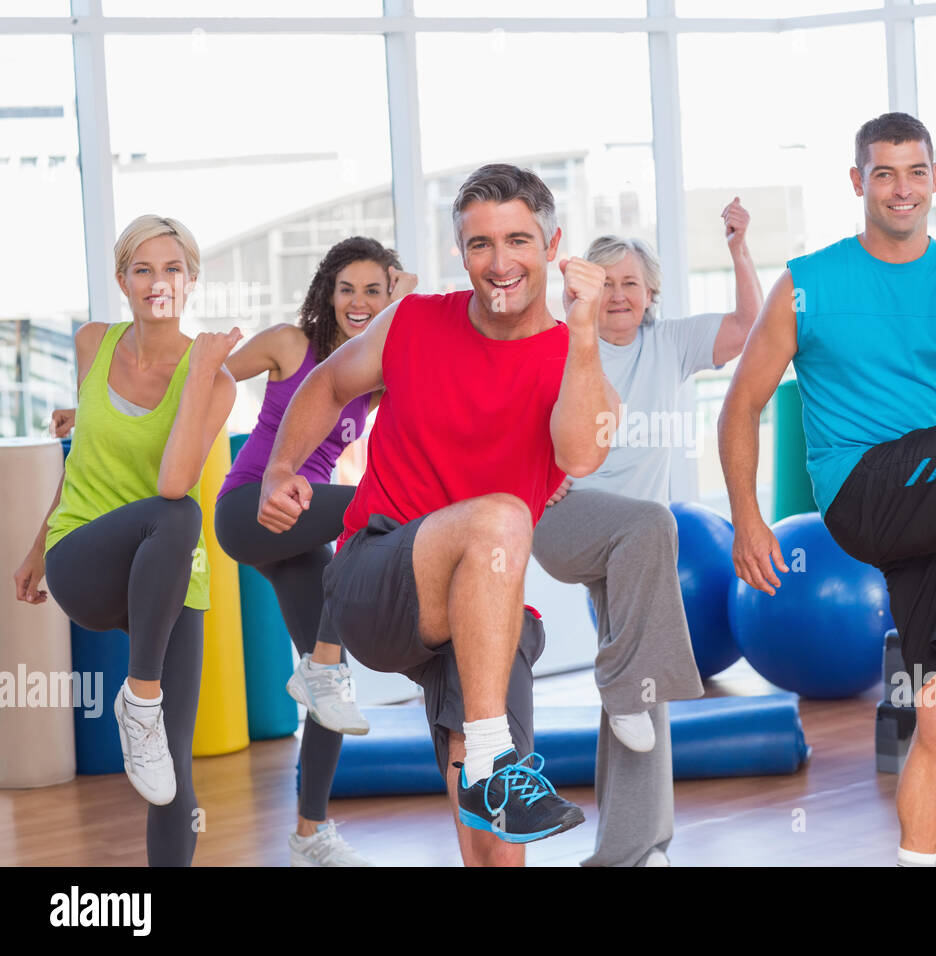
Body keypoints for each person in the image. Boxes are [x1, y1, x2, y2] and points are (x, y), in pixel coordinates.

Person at [718, 112, 936, 868]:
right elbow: (741, 404)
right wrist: (747, 520)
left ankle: (914, 859)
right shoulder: (808, 282)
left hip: (933, 504)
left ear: (935, 178)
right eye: (884, 173)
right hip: (862, 491)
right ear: (859, 183)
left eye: (915, 172)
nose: (901, 188)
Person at [257, 163, 617, 865]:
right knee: (504, 518)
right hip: (376, 575)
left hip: (485, 606)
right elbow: (328, 384)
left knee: (498, 839)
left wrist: (582, 332)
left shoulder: (577, 360)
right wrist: (282, 467)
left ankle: (484, 763)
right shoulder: (417, 321)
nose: (499, 262)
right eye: (480, 244)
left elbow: (581, 454)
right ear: (462, 252)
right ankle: (490, 759)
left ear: (554, 244)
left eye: (518, 240)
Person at [531, 198, 762, 866]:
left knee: (642, 688)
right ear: (586, 292)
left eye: (631, 282)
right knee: (639, 668)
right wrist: (545, 469)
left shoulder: (670, 344)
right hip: (567, 522)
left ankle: (636, 850)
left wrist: (739, 249)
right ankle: (626, 702)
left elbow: (748, 326)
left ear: (651, 292)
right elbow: (518, 418)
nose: (620, 294)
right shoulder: (566, 344)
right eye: (606, 283)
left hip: (635, 550)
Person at [12, 214, 238, 866]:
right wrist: (35, 549)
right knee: (176, 518)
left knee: (172, 777)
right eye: (143, 268)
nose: (157, 281)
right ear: (122, 279)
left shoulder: (215, 383)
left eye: (172, 268)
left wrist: (198, 373)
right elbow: (83, 459)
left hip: (170, 576)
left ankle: (144, 711)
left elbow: (174, 480)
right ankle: (140, 700)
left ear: (191, 281)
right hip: (85, 555)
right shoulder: (93, 344)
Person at [213, 236, 417, 866]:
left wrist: (402, 291)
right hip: (249, 508)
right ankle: (320, 664)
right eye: (346, 288)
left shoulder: (374, 373)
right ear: (327, 293)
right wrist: (89, 410)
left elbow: (421, 327)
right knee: (374, 508)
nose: (358, 302)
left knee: (333, 691)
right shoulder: (288, 344)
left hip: (299, 536)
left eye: (373, 291)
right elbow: (201, 379)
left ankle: (310, 836)